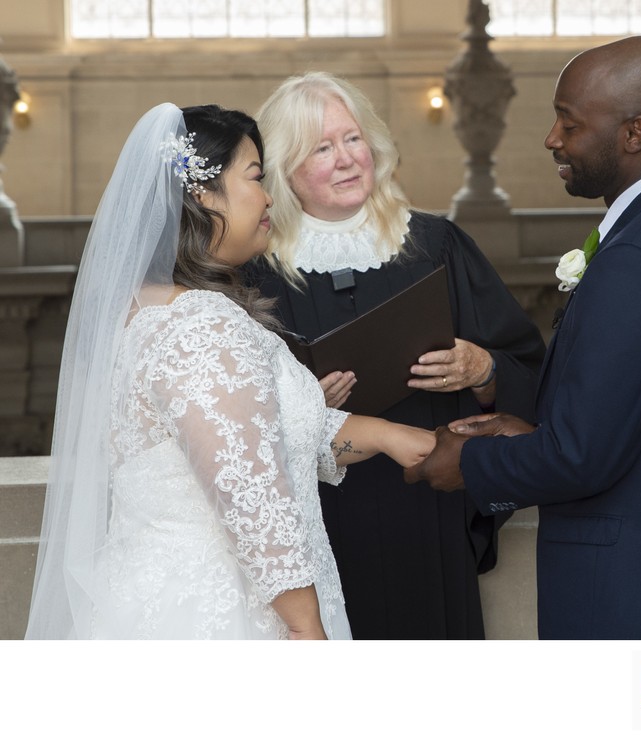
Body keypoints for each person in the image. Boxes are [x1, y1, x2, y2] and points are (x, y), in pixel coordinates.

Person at [25, 102, 434, 640]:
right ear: (201, 195)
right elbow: (250, 493)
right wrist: (306, 625)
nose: (268, 197)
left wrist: (387, 435)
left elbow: (247, 443)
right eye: (256, 178)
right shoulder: (202, 326)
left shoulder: (148, 309)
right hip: (224, 609)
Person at [406, 36, 641, 640]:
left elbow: (582, 458)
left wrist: (470, 462)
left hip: (629, 596)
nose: (551, 138)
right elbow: (627, 417)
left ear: (634, 133)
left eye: (570, 122)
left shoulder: (640, 257)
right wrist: (525, 428)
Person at [244, 72, 545, 639]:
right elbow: (225, 421)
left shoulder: (436, 246)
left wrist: (483, 370)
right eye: (321, 148)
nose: (346, 159)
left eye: (352, 139)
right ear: (284, 170)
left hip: (427, 511)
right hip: (321, 526)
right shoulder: (255, 275)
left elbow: (527, 364)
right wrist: (307, 407)